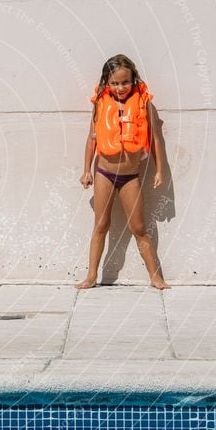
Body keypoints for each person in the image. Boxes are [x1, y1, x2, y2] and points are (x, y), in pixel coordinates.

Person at [76, 54, 170, 290]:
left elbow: (156, 139)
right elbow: (92, 139)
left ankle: (155, 277)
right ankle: (91, 276)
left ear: (133, 80)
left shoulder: (143, 103)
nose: (120, 88)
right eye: (115, 83)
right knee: (101, 225)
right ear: (107, 82)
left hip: (130, 176)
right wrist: (86, 170)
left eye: (125, 82)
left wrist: (160, 170)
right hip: (104, 173)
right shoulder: (100, 103)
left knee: (139, 228)